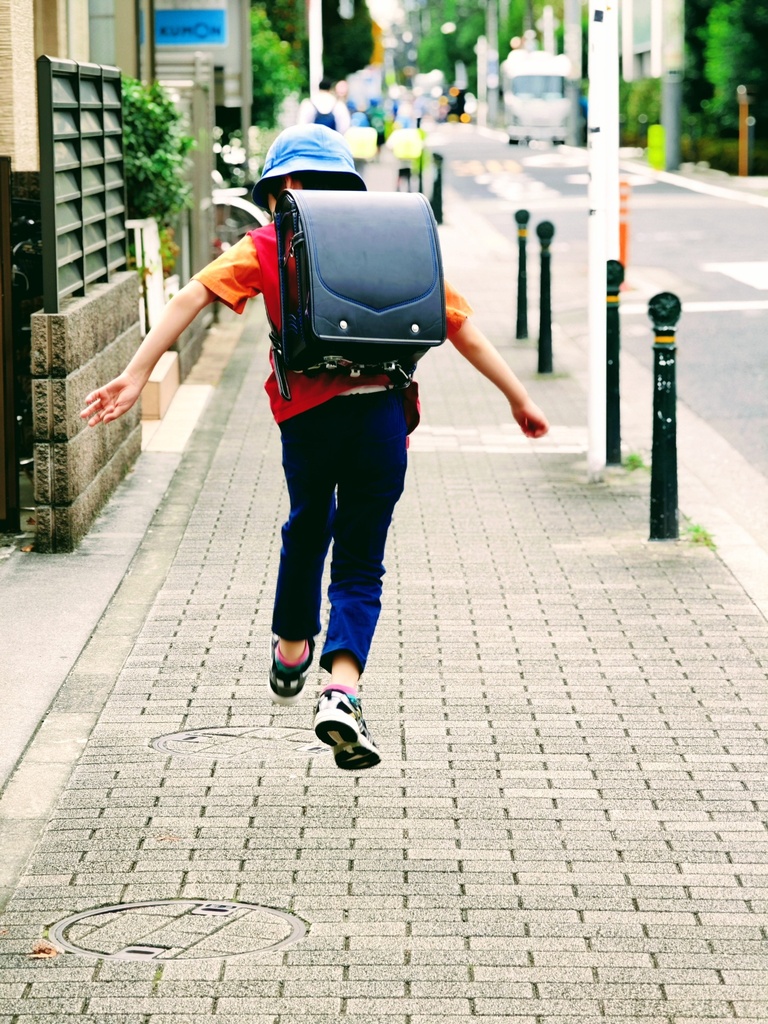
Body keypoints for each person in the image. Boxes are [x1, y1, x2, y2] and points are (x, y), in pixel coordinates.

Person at [80, 124, 549, 771]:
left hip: (308, 421)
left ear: (286, 187)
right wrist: (518, 399)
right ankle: (342, 691)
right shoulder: (393, 241)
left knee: (308, 524)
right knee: (361, 561)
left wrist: (137, 373)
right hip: (383, 417)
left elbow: (193, 295)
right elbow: (458, 327)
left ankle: (294, 647)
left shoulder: (270, 242)